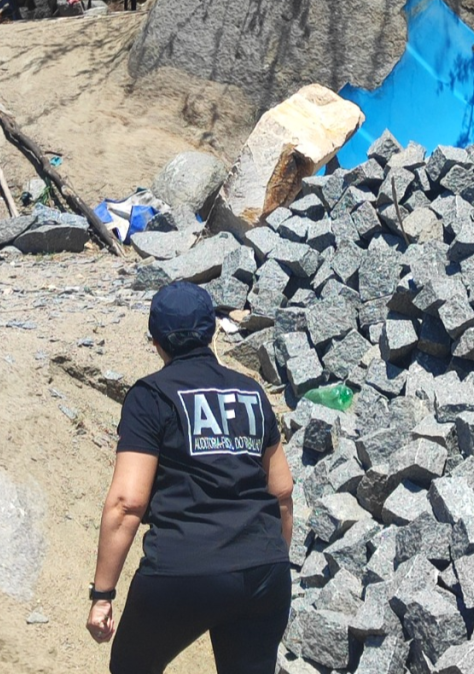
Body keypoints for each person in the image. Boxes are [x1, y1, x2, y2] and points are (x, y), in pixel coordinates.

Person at [86, 281, 294, 674]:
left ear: (156, 341)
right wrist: (271, 557)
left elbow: (127, 503)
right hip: (264, 570)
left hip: (183, 569)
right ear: (212, 331)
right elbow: (282, 492)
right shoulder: (251, 392)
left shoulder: (151, 396)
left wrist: (102, 594)